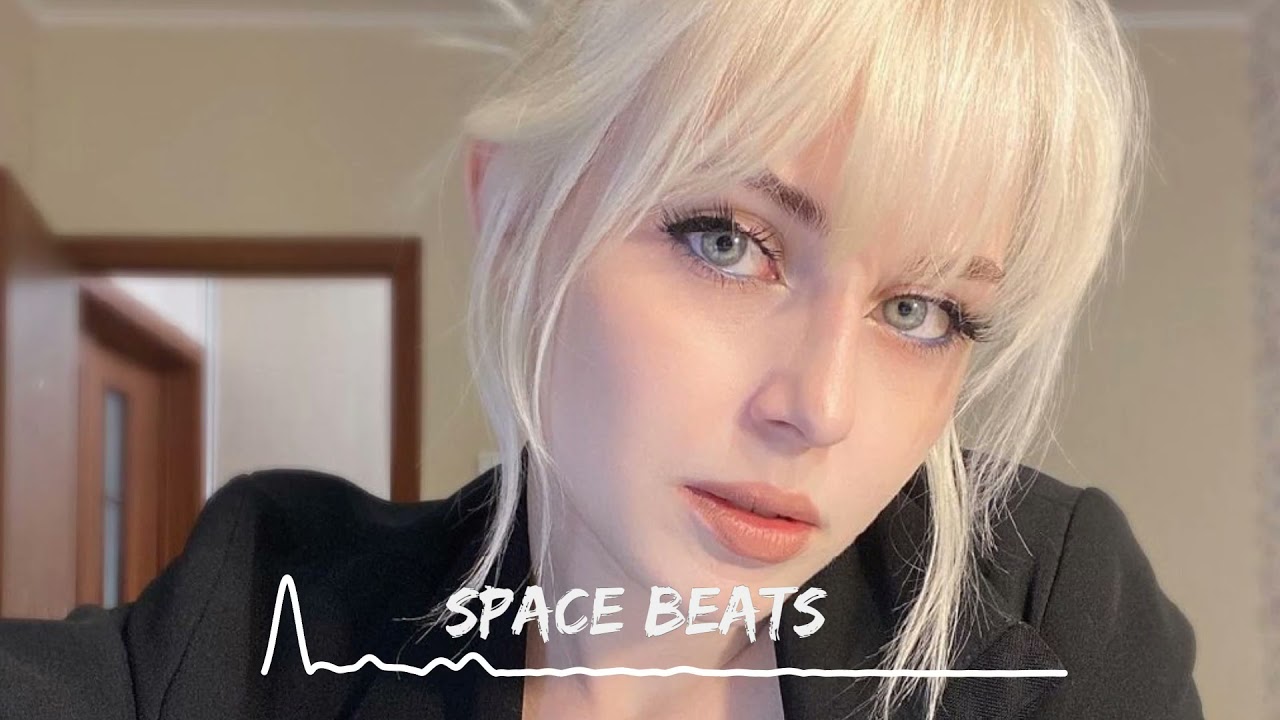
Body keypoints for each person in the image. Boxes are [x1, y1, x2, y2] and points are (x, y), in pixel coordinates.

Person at [0, 1, 1203, 718]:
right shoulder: (266, 620)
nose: (819, 408)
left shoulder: (1045, 612)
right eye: (727, 241)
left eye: (920, 308)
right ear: (516, 215)